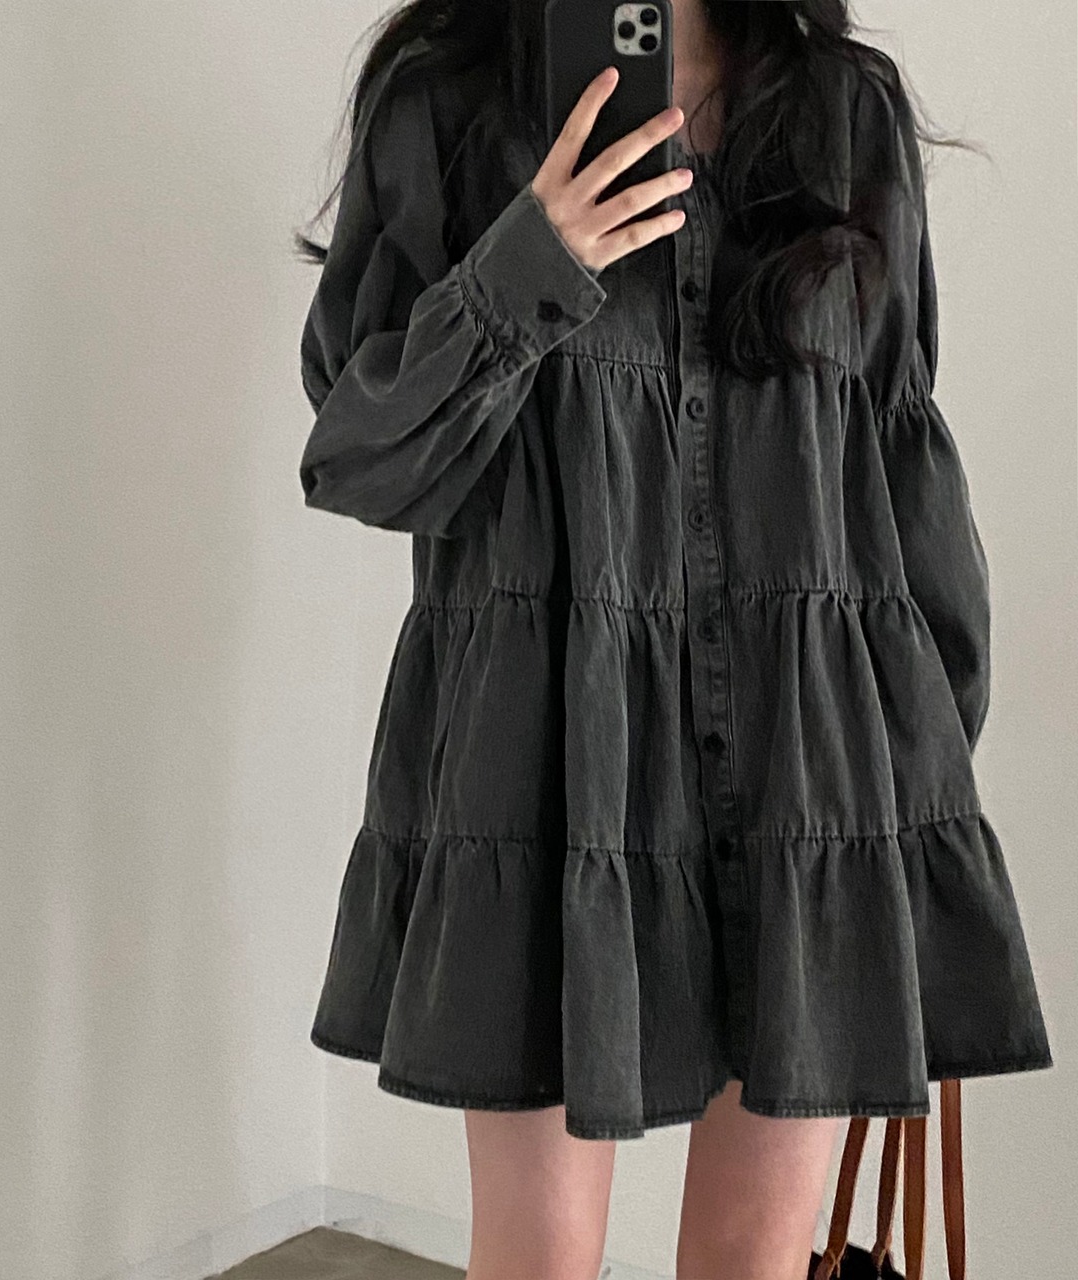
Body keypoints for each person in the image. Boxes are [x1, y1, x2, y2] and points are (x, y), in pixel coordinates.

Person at [292, 3, 1054, 1278]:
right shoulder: (446, 103)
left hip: (807, 772)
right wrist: (528, 262)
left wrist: (922, 766)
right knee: (538, 1255)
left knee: (754, 1258)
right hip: (545, 768)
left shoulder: (842, 112)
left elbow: (896, 446)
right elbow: (361, 454)